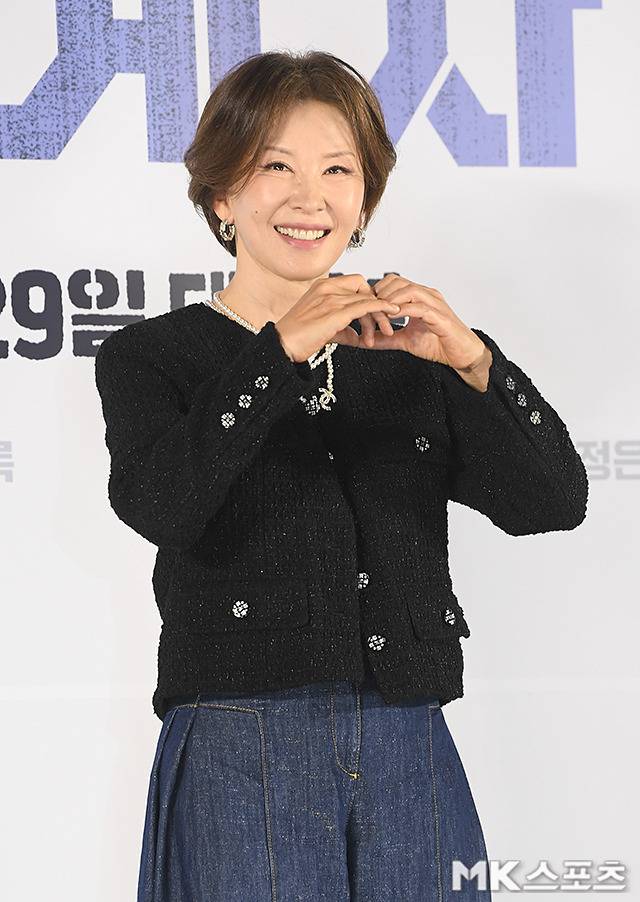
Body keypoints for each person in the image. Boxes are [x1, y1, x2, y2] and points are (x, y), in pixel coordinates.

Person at [95, 50, 588, 901]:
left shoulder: (405, 354)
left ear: (364, 200)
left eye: (337, 170)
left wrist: (473, 362)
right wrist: (277, 356)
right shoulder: (153, 356)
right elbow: (162, 504)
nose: (309, 197)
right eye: (274, 167)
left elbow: (551, 502)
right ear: (222, 195)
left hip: (408, 733)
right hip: (240, 735)